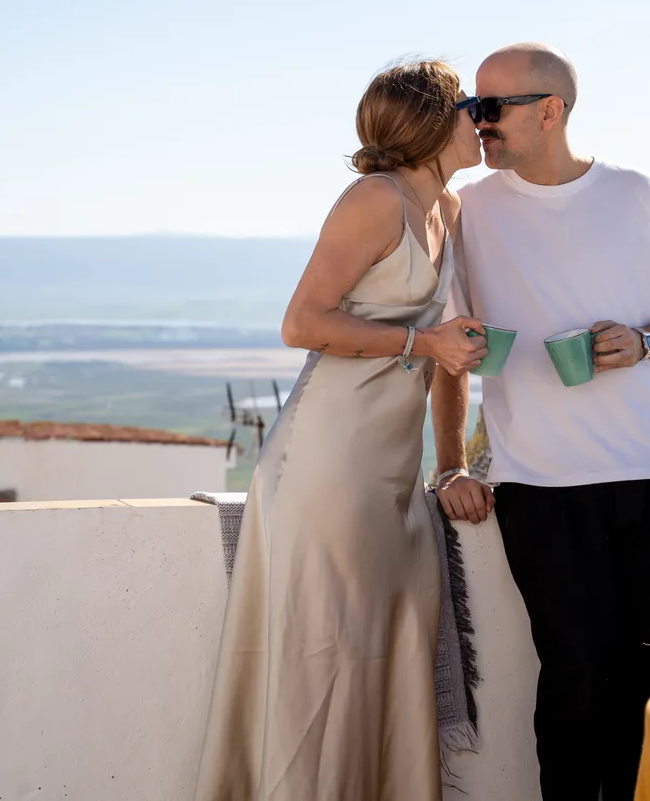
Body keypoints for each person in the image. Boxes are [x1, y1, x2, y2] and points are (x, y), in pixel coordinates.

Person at [194, 59, 488, 801]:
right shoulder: (374, 200)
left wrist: (450, 465)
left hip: (390, 472)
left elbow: (453, 352)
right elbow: (302, 322)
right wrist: (425, 345)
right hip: (329, 459)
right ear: (432, 120)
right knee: (324, 657)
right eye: (469, 106)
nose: (480, 119)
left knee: (383, 654)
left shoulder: (448, 210)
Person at [433, 43, 650, 801]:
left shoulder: (637, 194)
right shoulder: (469, 211)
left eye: (490, 108)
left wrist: (643, 340)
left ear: (549, 111)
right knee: (576, 671)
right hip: (538, 481)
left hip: (649, 467)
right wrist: (451, 463)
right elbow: (449, 349)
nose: (477, 124)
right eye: (472, 108)